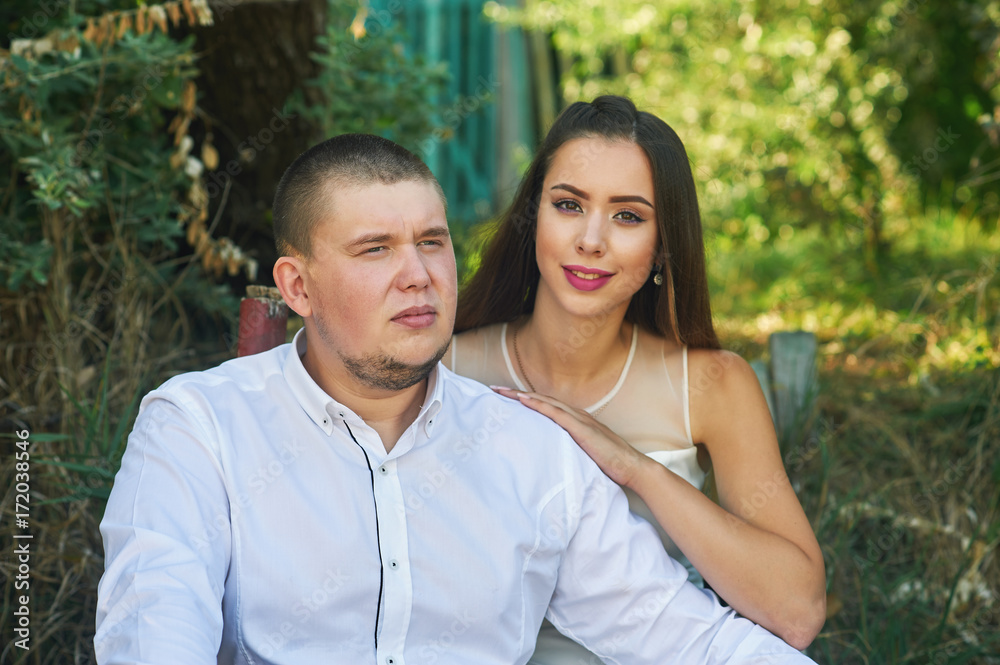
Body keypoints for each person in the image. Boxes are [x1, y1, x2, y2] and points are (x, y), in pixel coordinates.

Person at [94, 132, 818, 665]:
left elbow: (690, 634)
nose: (418, 275)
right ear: (297, 288)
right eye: (375, 248)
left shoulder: (534, 450)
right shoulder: (200, 429)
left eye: (432, 243)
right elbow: (154, 630)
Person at [447, 95, 827, 663]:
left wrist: (633, 468)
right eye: (568, 205)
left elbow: (797, 613)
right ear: (533, 220)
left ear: (662, 248)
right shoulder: (447, 369)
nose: (592, 239)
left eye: (628, 215)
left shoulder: (711, 386)